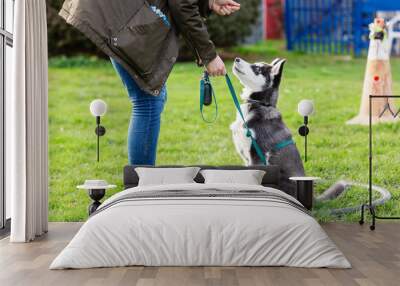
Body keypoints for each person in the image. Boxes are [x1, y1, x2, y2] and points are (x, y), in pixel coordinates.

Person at [111, 0, 240, 165]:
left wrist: (208, 2)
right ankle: (140, 182)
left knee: (153, 99)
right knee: (148, 103)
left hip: (124, 19)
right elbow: (182, 4)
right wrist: (209, 55)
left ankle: (140, 179)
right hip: (126, 22)